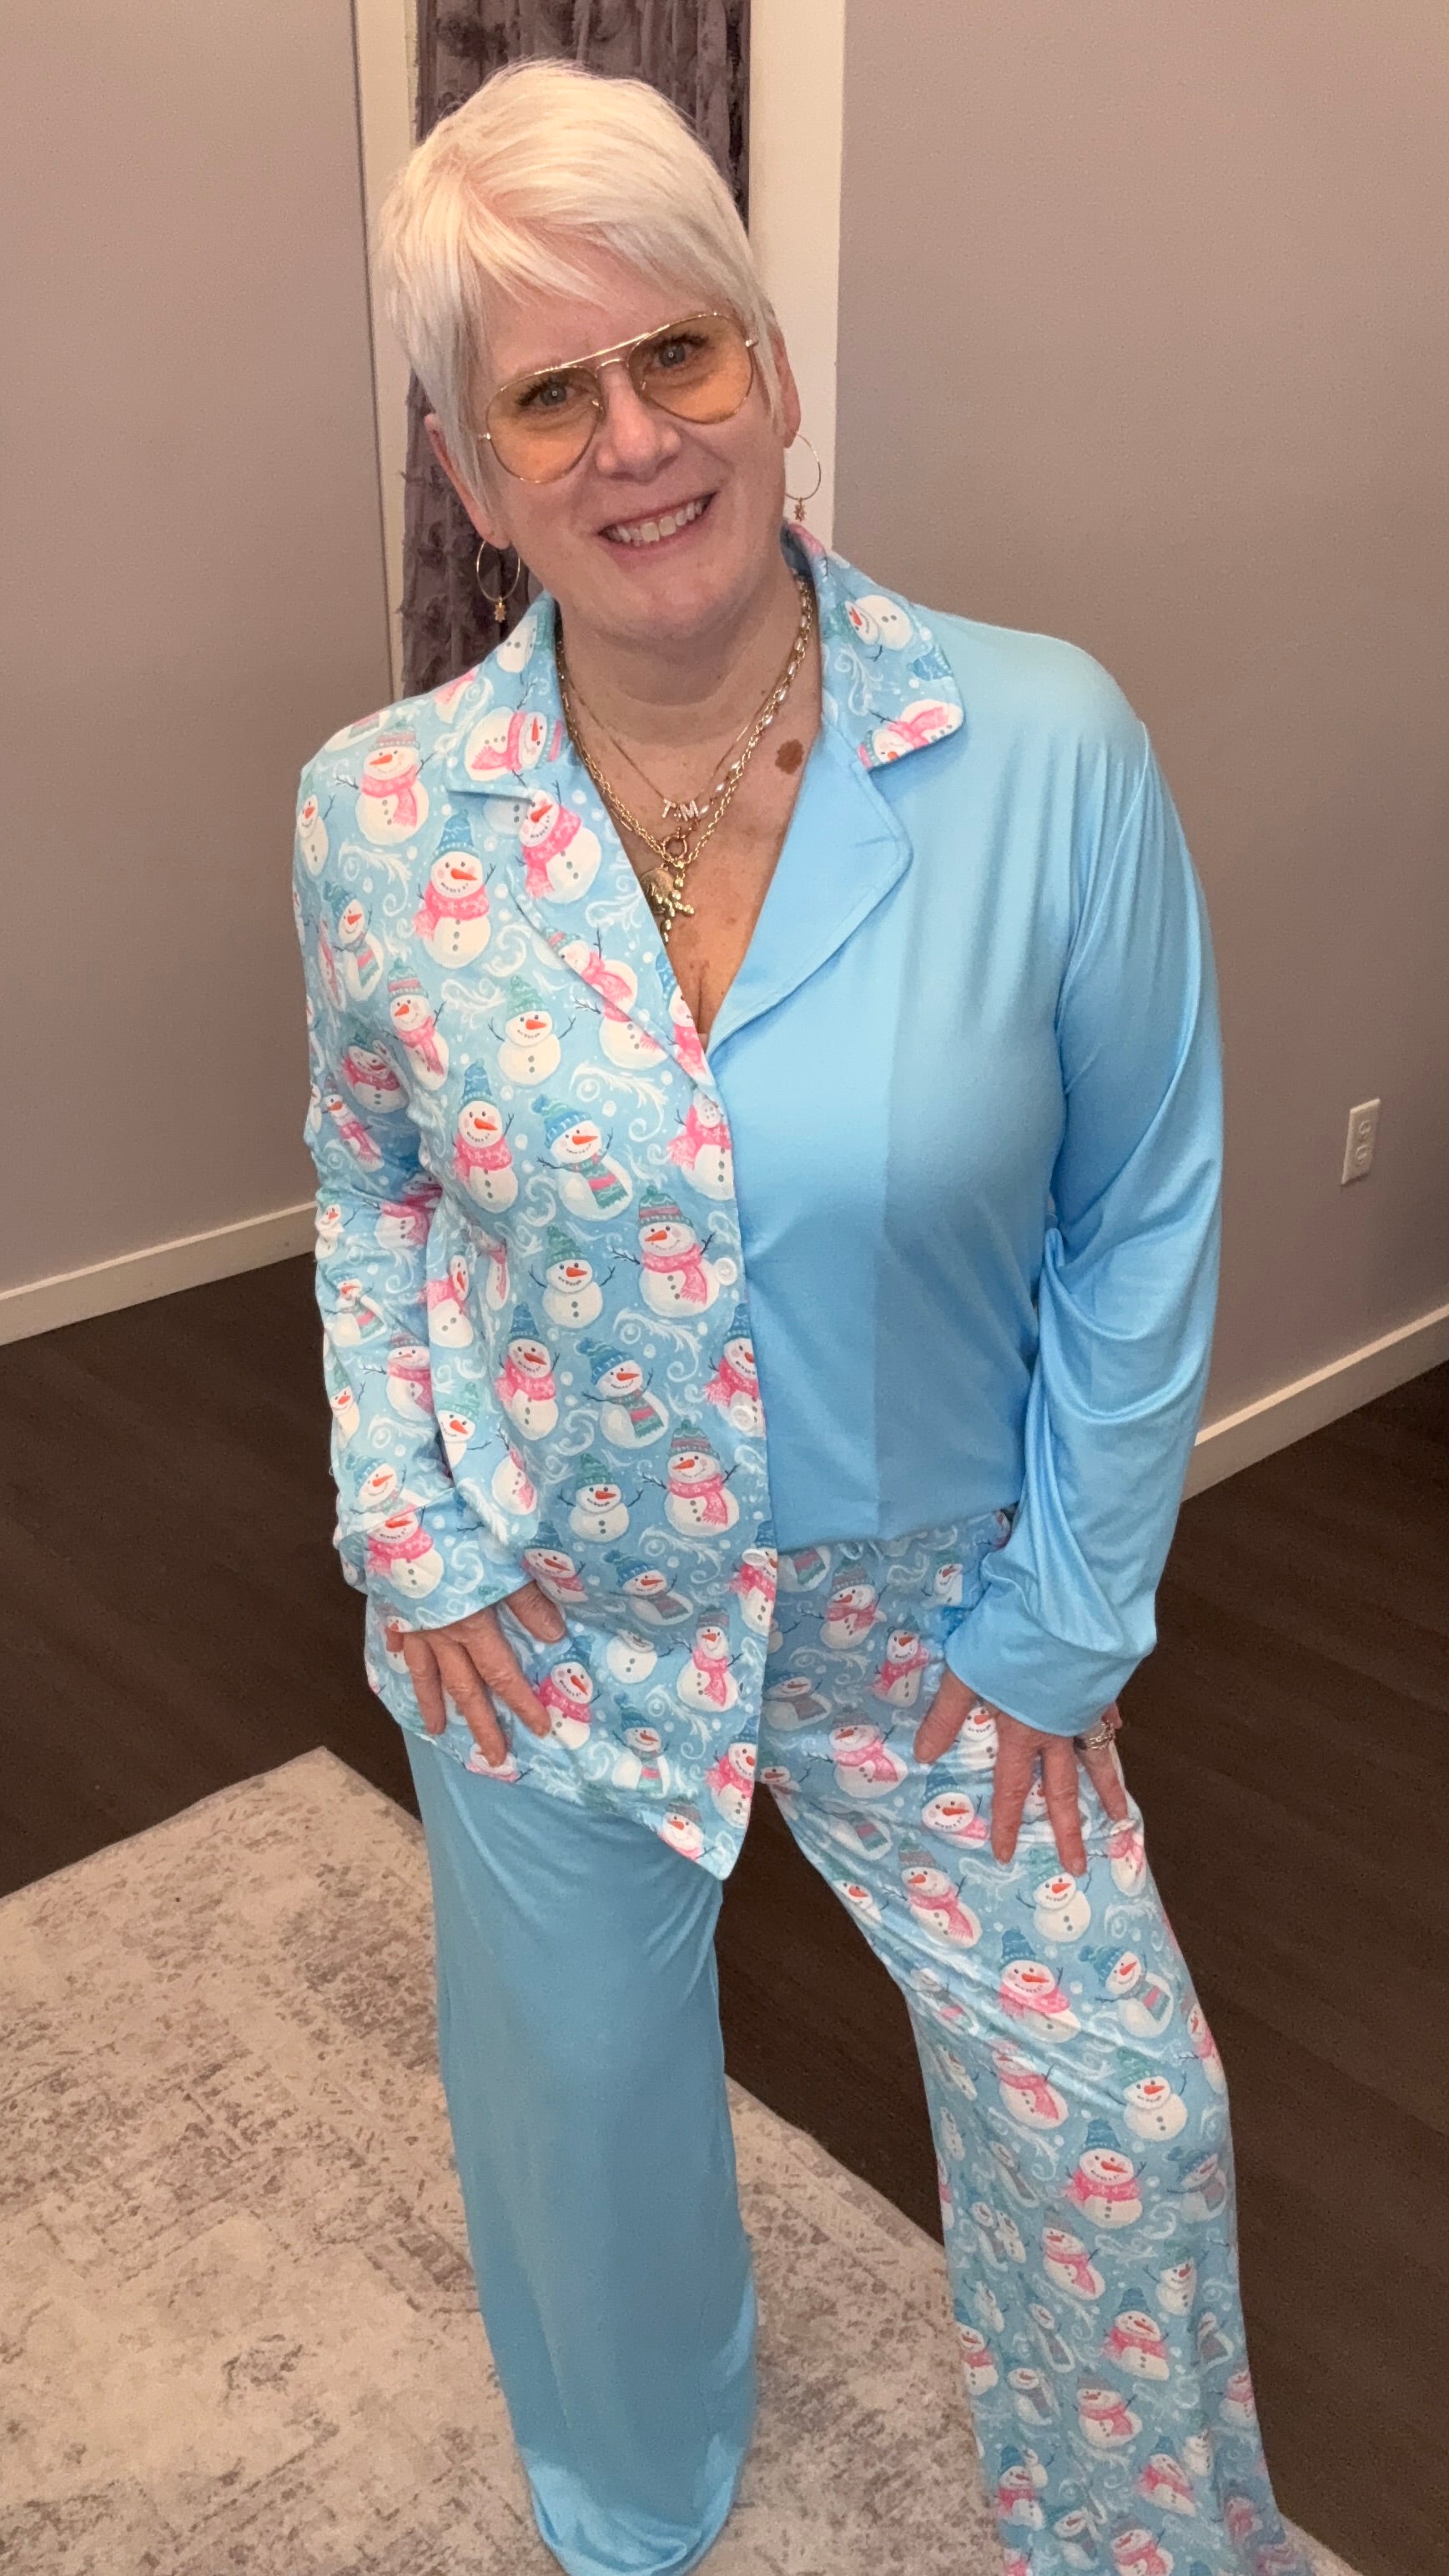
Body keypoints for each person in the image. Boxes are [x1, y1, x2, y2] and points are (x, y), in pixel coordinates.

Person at [291, 55, 1307, 2576]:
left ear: (770, 368)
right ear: (472, 472)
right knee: (581, 2133)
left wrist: (1068, 1621)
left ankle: (1142, 2537)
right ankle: (634, 2500)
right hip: (554, 1599)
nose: (636, 440)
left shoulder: (1042, 746)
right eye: (550, 394)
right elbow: (374, 1179)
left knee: (1122, 2119)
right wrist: (414, 1530)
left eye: (682, 352)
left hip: (936, 1609)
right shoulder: (379, 817)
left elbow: (1143, 1209)